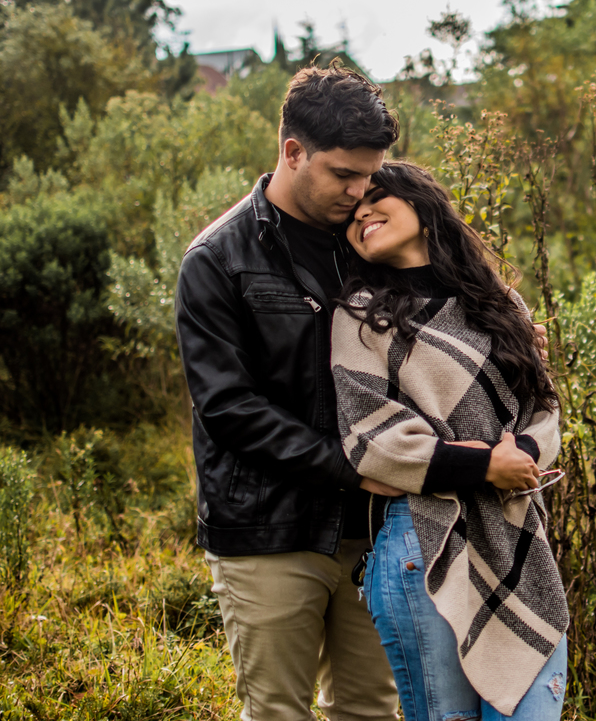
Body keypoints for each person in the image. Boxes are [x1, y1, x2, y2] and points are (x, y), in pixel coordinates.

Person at [175, 64, 403, 721]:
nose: (359, 192)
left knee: (372, 712)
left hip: (375, 530)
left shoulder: (373, 243)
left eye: (370, 176)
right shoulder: (216, 260)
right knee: (279, 713)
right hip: (267, 529)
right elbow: (229, 408)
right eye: (344, 174)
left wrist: (506, 335)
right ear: (293, 151)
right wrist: (353, 468)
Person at [331, 161, 569, 721]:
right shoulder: (362, 316)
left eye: (377, 196)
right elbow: (370, 437)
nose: (362, 212)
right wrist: (485, 467)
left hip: (517, 537)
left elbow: (544, 409)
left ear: (421, 204)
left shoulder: (500, 303)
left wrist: (522, 456)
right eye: (352, 212)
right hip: (423, 538)